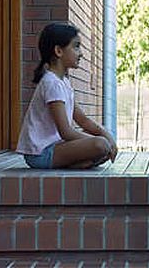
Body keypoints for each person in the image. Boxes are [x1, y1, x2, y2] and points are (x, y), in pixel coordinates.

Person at [17, 22, 118, 169]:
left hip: (55, 148)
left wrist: (107, 136)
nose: (81, 53)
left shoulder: (63, 82)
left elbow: (83, 120)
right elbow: (66, 132)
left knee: (101, 145)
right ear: (58, 51)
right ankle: (76, 163)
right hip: (40, 154)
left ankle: (78, 163)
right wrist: (102, 142)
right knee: (100, 145)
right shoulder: (52, 83)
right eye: (76, 46)